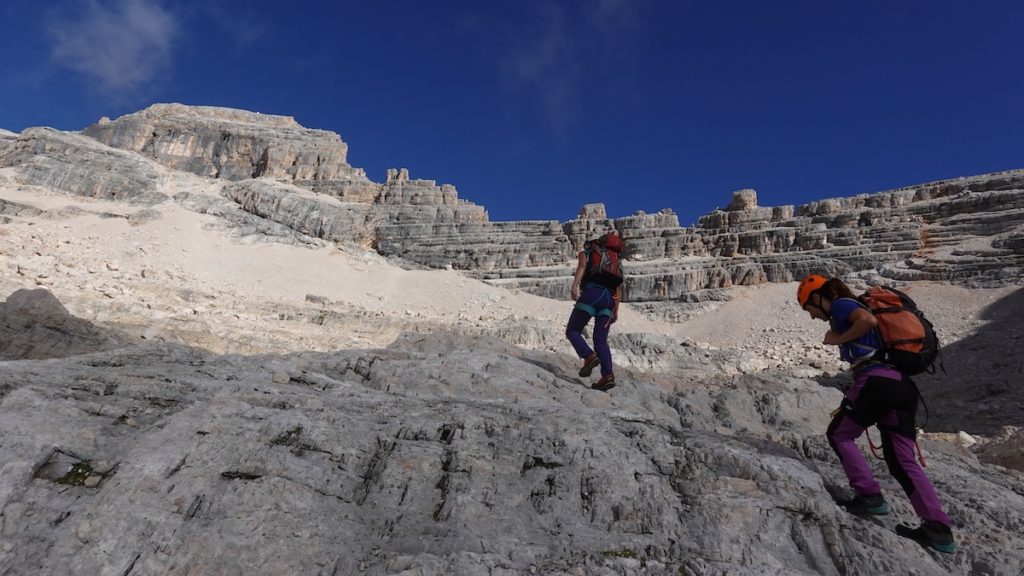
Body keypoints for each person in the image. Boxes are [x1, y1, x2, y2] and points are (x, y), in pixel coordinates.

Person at [797, 274, 955, 554]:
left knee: (839, 434)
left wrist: (838, 339)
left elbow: (867, 321)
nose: (810, 316)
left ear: (817, 298)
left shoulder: (841, 305)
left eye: (808, 308)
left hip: (876, 382)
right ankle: (939, 530)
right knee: (901, 460)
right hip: (900, 387)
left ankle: (869, 496)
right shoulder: (849, 306)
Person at [566, 234, 623, 391]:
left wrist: (574, 285)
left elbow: (582, 266)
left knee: (573, 330)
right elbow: (618, 287)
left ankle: (588, 356)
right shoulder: (616, 261)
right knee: (600, 340)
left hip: (592, 294)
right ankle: (607, 376)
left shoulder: (588, 253)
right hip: (608, 301)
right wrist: (616, 309)